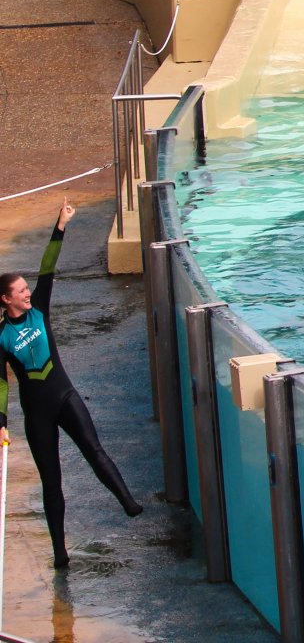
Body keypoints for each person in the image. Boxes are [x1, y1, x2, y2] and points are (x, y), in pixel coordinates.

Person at [1, 199, 142, 569]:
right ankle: (59, 551)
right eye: (19, 291)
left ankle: (128, 501)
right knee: (52, 481)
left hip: (64, 394)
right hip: (37, 414)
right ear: (6, 299)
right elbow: (1, 385)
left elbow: (48, 267)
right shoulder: (1, 337)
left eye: (25, 288)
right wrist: (2, 422)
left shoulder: (40, 309)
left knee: (94, 450)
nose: (26, 292)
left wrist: (60, 224)